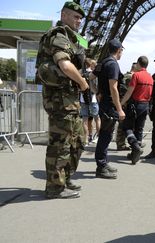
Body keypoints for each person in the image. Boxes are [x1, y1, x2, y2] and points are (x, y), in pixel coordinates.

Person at [35, 1, 88, 199]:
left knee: (78, 141)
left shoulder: (71, 39)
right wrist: (83, 82)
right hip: (60, 102)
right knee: (60, 145)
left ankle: (64, 178)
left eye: (81, 18)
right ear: (64, 15)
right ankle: (55, 188)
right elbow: (65, 66)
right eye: (75, 17)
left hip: (70, 102)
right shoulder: (58, 35)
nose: (79, 21)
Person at [92, 39, 125, 179]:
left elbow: (90, 77)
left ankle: (103, 163)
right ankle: (101, 166)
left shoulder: (103, 63)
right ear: (119, 50)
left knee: (106, 134)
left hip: (104, 102)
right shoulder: (113, 65)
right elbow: (113, 88)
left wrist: (97, 92)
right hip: (110, 105)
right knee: (106, 135)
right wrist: (120, 109)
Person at [120, 56, 154, 164]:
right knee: (139, 129)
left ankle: (135, 146)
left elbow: (129, 92)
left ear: (139, 64)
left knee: (126, 127)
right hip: (145, 105)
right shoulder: (150, 77)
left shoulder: (136, 75)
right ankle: (135, 154)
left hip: (135, 104)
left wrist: (121, 103)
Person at [116, 62, 139, 151]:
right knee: (124, 125)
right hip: (127, 103)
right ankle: (121, 144)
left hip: (121, 102)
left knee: (122, 124)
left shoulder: (124, 75)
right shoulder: (131, 77)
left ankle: (121, 143)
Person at [80, 58, 100, 146]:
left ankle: (86, 140)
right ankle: (98, 137)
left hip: (83, 98)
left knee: (84, 119)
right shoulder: (93, 74)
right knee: (97, 118)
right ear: (91, 64)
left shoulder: (80, 74)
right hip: (93, 98)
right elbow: (96, 86)